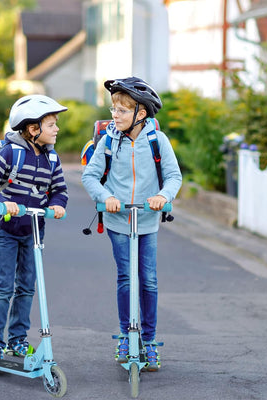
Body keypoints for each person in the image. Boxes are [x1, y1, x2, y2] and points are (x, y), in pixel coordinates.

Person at [82, 77, 182, 371]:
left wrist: (162, 196)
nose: (115, 115)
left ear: (141, 113)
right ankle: (127, 334)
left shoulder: (157, 140)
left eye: (123, 110)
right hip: (118, 218)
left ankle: (149, 340)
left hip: (148, 219)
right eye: (114, 109)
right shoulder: (109, 140)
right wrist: (107, 196)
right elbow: (90, 175)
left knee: (148, 279)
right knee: (127, 276)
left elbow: (174, 176)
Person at [0, 94, 68, 360]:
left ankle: (17, 339)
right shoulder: (10, 153)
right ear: (32, 128)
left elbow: (59, 190)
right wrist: (2, 202)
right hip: (6, 231)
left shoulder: (52, 159)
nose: (57, 129)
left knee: (26, 287)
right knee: (3, 287)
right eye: (52, 124)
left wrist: (58, 204)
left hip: (34, 232)